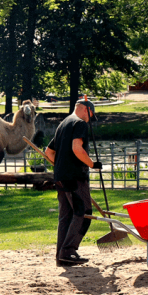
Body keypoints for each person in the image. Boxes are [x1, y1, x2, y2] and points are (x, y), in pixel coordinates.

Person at [45, 99, 103, 266]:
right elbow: (77, 148)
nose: (90, 119)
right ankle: (68, 250)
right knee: (83, 212)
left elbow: (49, 153)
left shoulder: (63, 124)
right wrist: (93, 164)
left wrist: (62, 165)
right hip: (75, 177)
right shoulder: (80, 124)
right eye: (91, 115)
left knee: (66, 216)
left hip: (61, 177)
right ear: (86, 110)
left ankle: (61, 255)